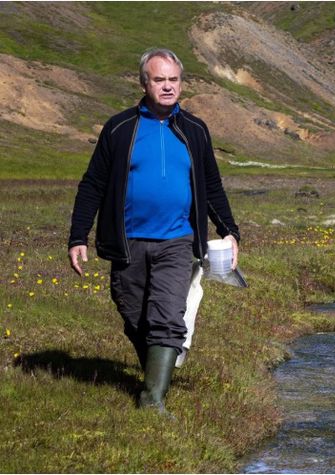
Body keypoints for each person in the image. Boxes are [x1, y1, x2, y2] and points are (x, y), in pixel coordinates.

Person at [68, 48, 240, 415]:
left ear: (181, 83)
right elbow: (93, 184)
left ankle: (152, 401)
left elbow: (211, 185)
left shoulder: (194, 130)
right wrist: (78, 236)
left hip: (178, 242)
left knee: (166, 316)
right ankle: (156, 370)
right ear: (144, 83)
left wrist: (230, 231)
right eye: (159, 79)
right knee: (134, 315)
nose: (167, 87)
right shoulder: (119, 128)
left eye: (173, 80)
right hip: (127, 243)